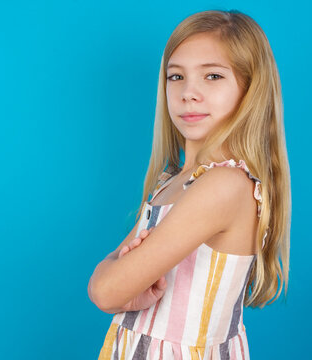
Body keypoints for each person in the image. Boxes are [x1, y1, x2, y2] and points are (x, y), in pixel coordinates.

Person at [88, 9, 292, 359]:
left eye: (212, 76)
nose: (189, 92)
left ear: (249, 88)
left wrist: (114, 280)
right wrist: (113, 281)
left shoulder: (223, 186)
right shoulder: (173, 181)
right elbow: (107, 287)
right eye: (176, 76)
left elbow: (105, 291)